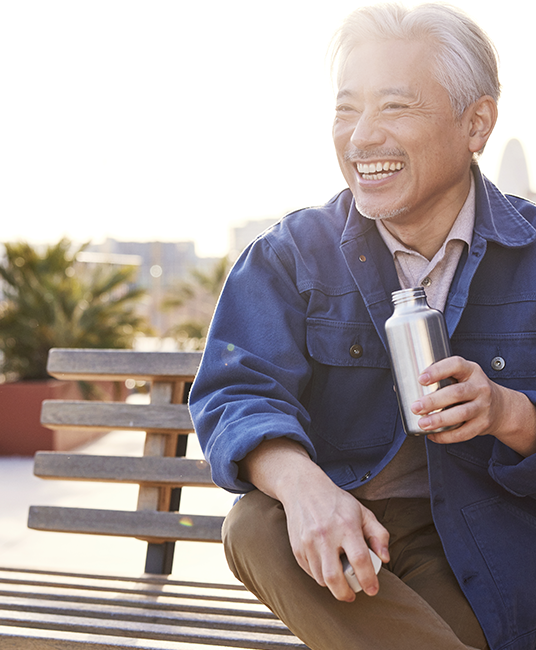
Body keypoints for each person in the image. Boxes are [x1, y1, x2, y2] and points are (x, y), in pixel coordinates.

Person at [189, 4, 536, 650]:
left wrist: (508, 412)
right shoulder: (293, 253)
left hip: (477, 538)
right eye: (347, 110)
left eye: (395, 108)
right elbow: (234, 392)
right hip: (332, 537)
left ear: (477, 123)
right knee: (254, 523)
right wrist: (306, 490)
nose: (361, 138)